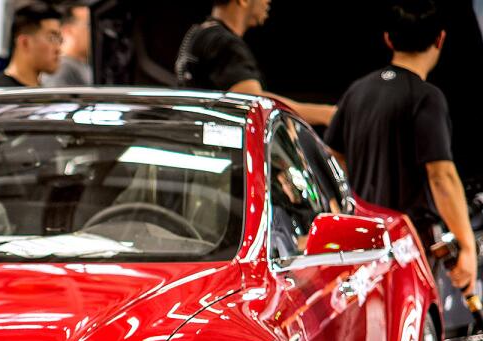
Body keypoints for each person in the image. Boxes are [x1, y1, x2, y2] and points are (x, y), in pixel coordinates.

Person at [325, 0, 477, 292]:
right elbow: (441, 176)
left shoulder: (357, 92)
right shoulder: (426, 97)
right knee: (415, 333)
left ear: (388, 39)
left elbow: (332, 162)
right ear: (440, 39)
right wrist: (467, 245)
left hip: (361, 244)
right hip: (409, 246)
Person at [175, 0, 335, 127]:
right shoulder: (225, 43)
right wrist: (326, 114)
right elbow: (254, 103)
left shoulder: (199, 35)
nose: (268, 1)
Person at [0, 3, 62, 88]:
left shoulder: (40, 92)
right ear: (25, 43)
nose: (59, 49)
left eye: (59, 39)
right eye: (52, 38)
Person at [43, 0, 92, 86]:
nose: (93, 31)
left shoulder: (81, 66)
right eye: (89, 25)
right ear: (68, 30)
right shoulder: (62, 69)